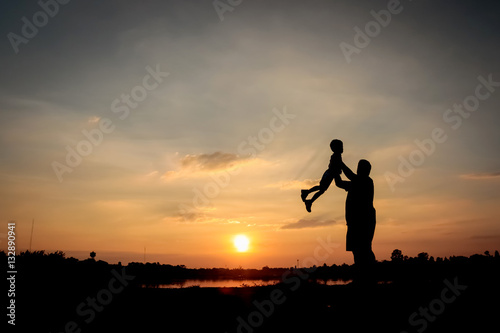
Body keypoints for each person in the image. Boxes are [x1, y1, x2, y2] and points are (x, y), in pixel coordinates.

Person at [334, 159, 376, 284]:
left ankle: (368, 278)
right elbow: (339, 183)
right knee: (357, 250)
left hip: (364, 221)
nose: (358, 170)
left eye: (361, 168)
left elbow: (351, 176)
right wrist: (335, 171)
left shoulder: (367, 182)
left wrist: (340, 162)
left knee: (364, 249)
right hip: (354, 222)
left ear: (366, 171)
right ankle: (361, 278)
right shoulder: (355, 183)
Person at [301, 139, 343, 212]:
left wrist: (338, 170)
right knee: (322, 188)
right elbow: (333, 165)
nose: (342, 148)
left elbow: (338, 165)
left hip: (331, 174)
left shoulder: (338, 155)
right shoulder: (335, 156)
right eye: (340, 146)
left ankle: (309, 200)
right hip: (330, 174)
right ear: (335, 148)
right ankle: (307, 194)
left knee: (322, 190)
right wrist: (338, 170)